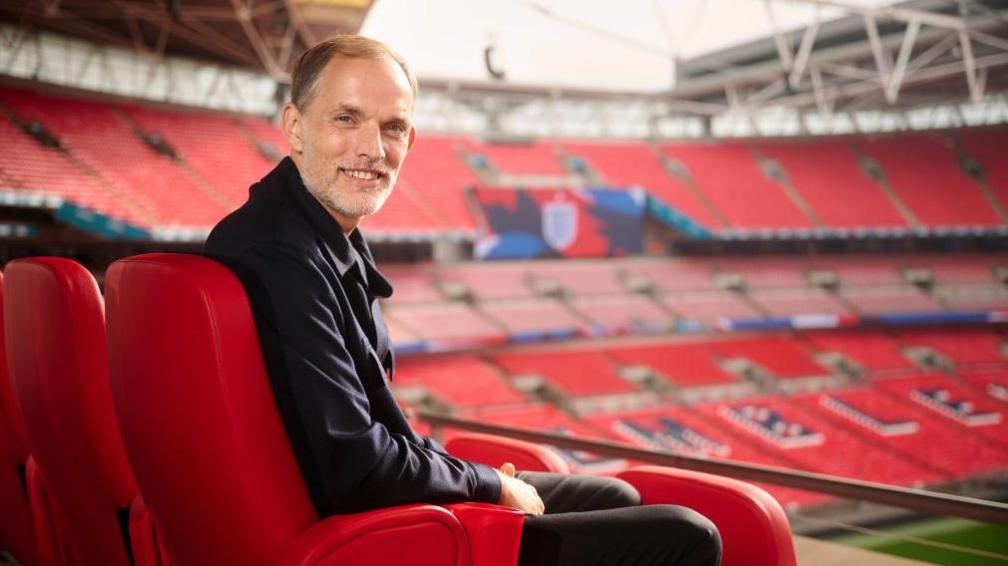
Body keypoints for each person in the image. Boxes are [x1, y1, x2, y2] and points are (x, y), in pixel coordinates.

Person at [204, 35, 721, 566]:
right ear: (294, 126)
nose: (373, 149)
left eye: (393, 127)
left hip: (358, 509)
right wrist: (489, 486)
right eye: (346, 119)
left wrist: (481, 478)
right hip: (360, 536)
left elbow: (370, 433)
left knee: (613, 497)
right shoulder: (282, 256)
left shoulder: (312, 236)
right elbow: (355, 467)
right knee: (689, 535)